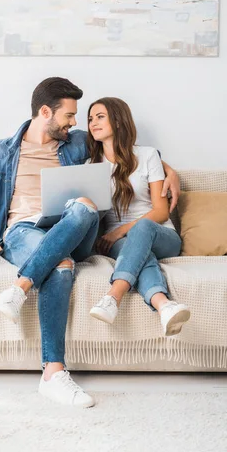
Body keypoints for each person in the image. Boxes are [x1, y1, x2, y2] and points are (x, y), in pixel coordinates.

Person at [0, 78, 181, 408]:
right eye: (70, 115)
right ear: (45, 112)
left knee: (84, 206)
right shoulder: (0, 152)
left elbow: (122, 150)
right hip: (23, 231)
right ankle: (53, 373)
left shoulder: (76, 144)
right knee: (61, 265)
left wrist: (167, 169)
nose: (77, 123)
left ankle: (20, 286)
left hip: (74, 229)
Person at [87, 97, 190, 336]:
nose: (93, 123)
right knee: (143, 257)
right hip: (119, 244)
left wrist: (119, 231)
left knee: (142, 228)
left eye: (100, 116)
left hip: (160, 233)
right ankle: (164, 305)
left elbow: (161, 211)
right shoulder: (90, 165)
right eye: (90, 118)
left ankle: (113, 296)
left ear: (119, 121)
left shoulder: (147, 156)